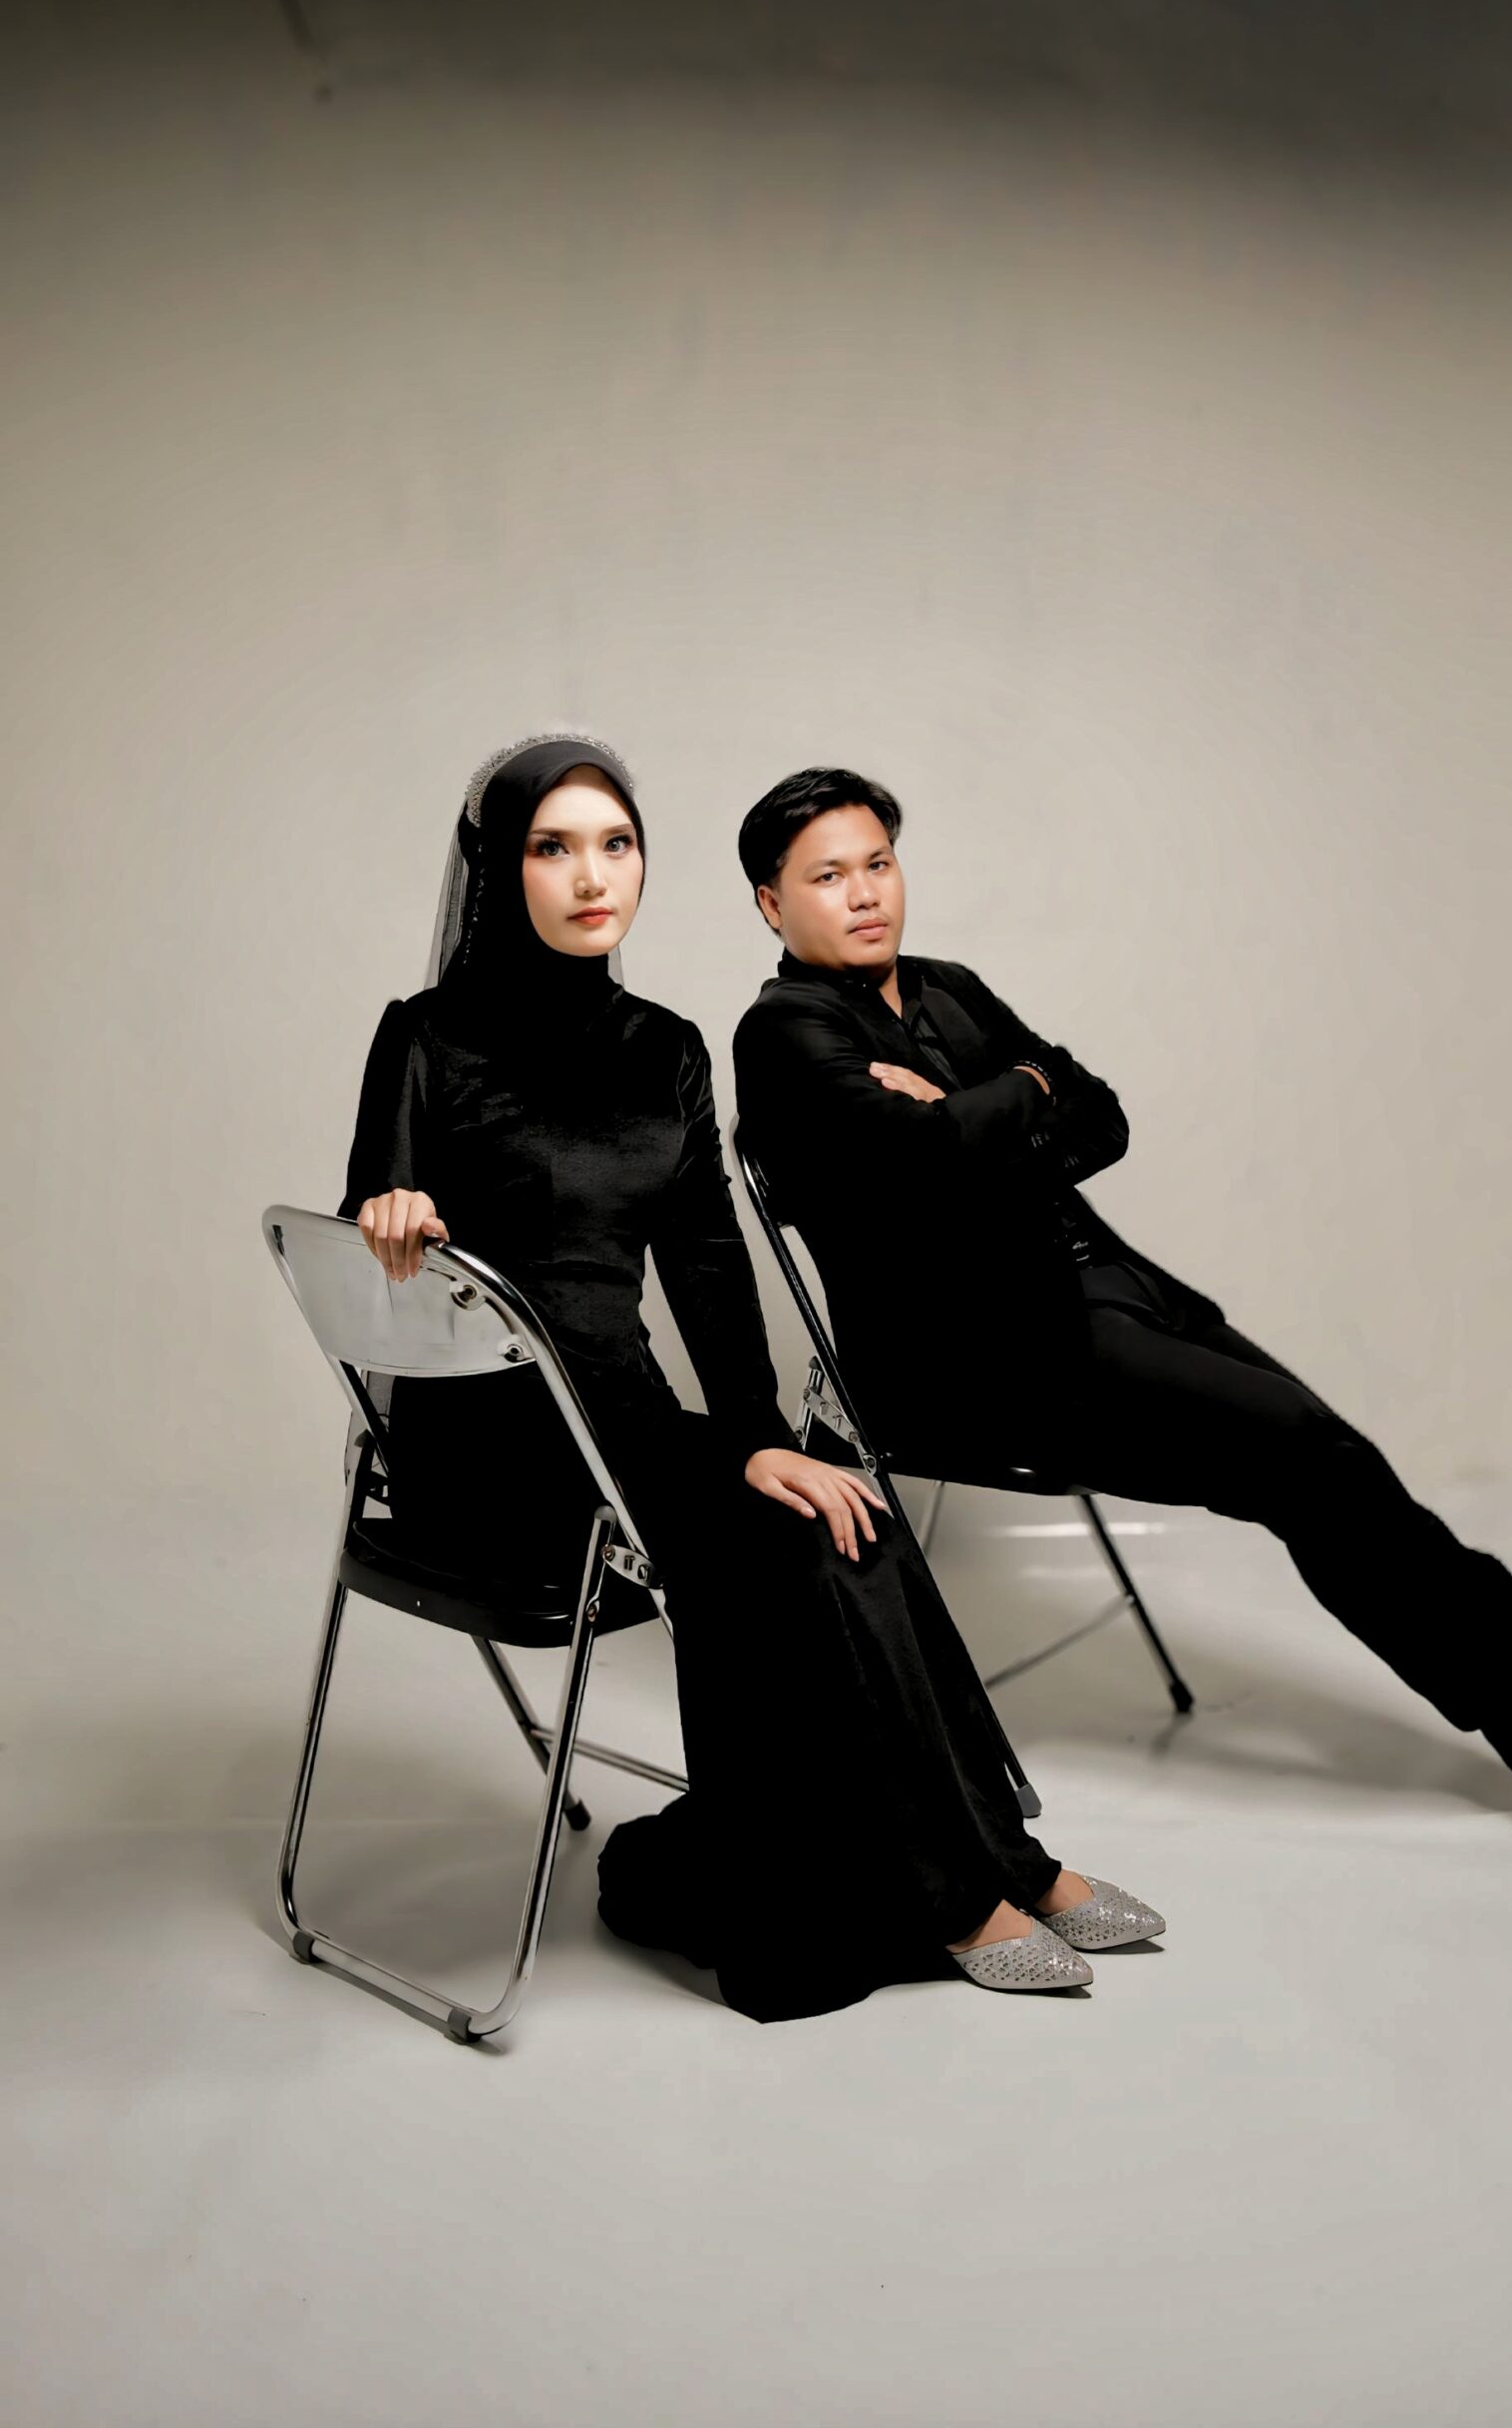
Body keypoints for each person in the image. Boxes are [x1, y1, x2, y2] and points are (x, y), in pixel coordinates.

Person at [730, 765, 1512, 1862]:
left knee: (1330, 1458)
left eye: (878, 863)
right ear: (772, 902)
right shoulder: (782, 1034)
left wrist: (993, 1108)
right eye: (828, 876)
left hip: (1105, 1290)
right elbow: (929, 1160)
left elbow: (1100, 1114)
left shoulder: (946, 986)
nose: (866, 893)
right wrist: (1019, 1095)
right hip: (980, 1359)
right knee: (1306, 1459)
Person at [337, 731, 1164, 2019]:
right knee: (782, 1538)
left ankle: (1005, 1861)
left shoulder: (664, 1047)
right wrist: (390, 1217)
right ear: (502, 869)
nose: (592, 875)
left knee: (841, 1501)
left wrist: (756, 1434)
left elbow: (709, 1270)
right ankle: (952, 1895)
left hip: (628, 1428)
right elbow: (368, 1225)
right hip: (491, 1452)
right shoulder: (425, 1038)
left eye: (616, 843)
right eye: (553, 848)